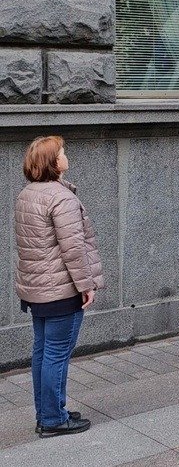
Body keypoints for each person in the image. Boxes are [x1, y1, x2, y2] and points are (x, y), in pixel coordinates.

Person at [15, 136, 104, 437]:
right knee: (56, 353)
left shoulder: (28, 194)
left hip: (37, 289)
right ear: (53, 162)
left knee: (43, 352)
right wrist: (86, 285)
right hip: (61, 290)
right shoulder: (61, 198)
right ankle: (54, 419)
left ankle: (49, 411)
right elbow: (73, 249)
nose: (66, 155)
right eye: (62, 152)